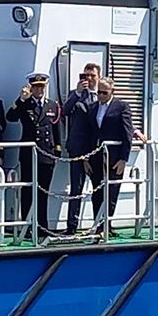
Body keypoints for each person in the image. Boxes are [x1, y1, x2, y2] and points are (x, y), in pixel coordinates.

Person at [78, 77, 143, 235]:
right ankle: (97, 225)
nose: (101, 95)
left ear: (112, 92)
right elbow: (87, 134)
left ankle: (107, 225)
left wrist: (123, 159)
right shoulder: (92, 107)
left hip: (114, 158)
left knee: (112, 192)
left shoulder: (121, 106)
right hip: (95, 156)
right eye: (99, 92)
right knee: (97, 192)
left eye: (104, 93)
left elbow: (127, 134)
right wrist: (85, 158)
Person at [7, 72, 61, 235]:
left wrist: (57, 150)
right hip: (29, 154)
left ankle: (42, 226)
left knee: (43, 191)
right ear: (31, 88)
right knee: (28, 191)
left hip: (46, 154)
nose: (39, 90)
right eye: (36, 87)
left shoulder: (52, 105)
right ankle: (27, 226)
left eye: (41, 86)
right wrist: (21, 100)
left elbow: (56, 129)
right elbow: (11, 117)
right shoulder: (25, 104)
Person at [61, 63, 101, 234]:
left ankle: (100, 224)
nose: (89, 79)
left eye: (92, 75)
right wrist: (77, 93)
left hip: (96, 149)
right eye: (86, 75)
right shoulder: (75, 95)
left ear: (98, 77)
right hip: (78, 149)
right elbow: (65, 111)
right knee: (76, 188)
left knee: (99, 188)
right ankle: (72, 226)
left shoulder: (102, 96)